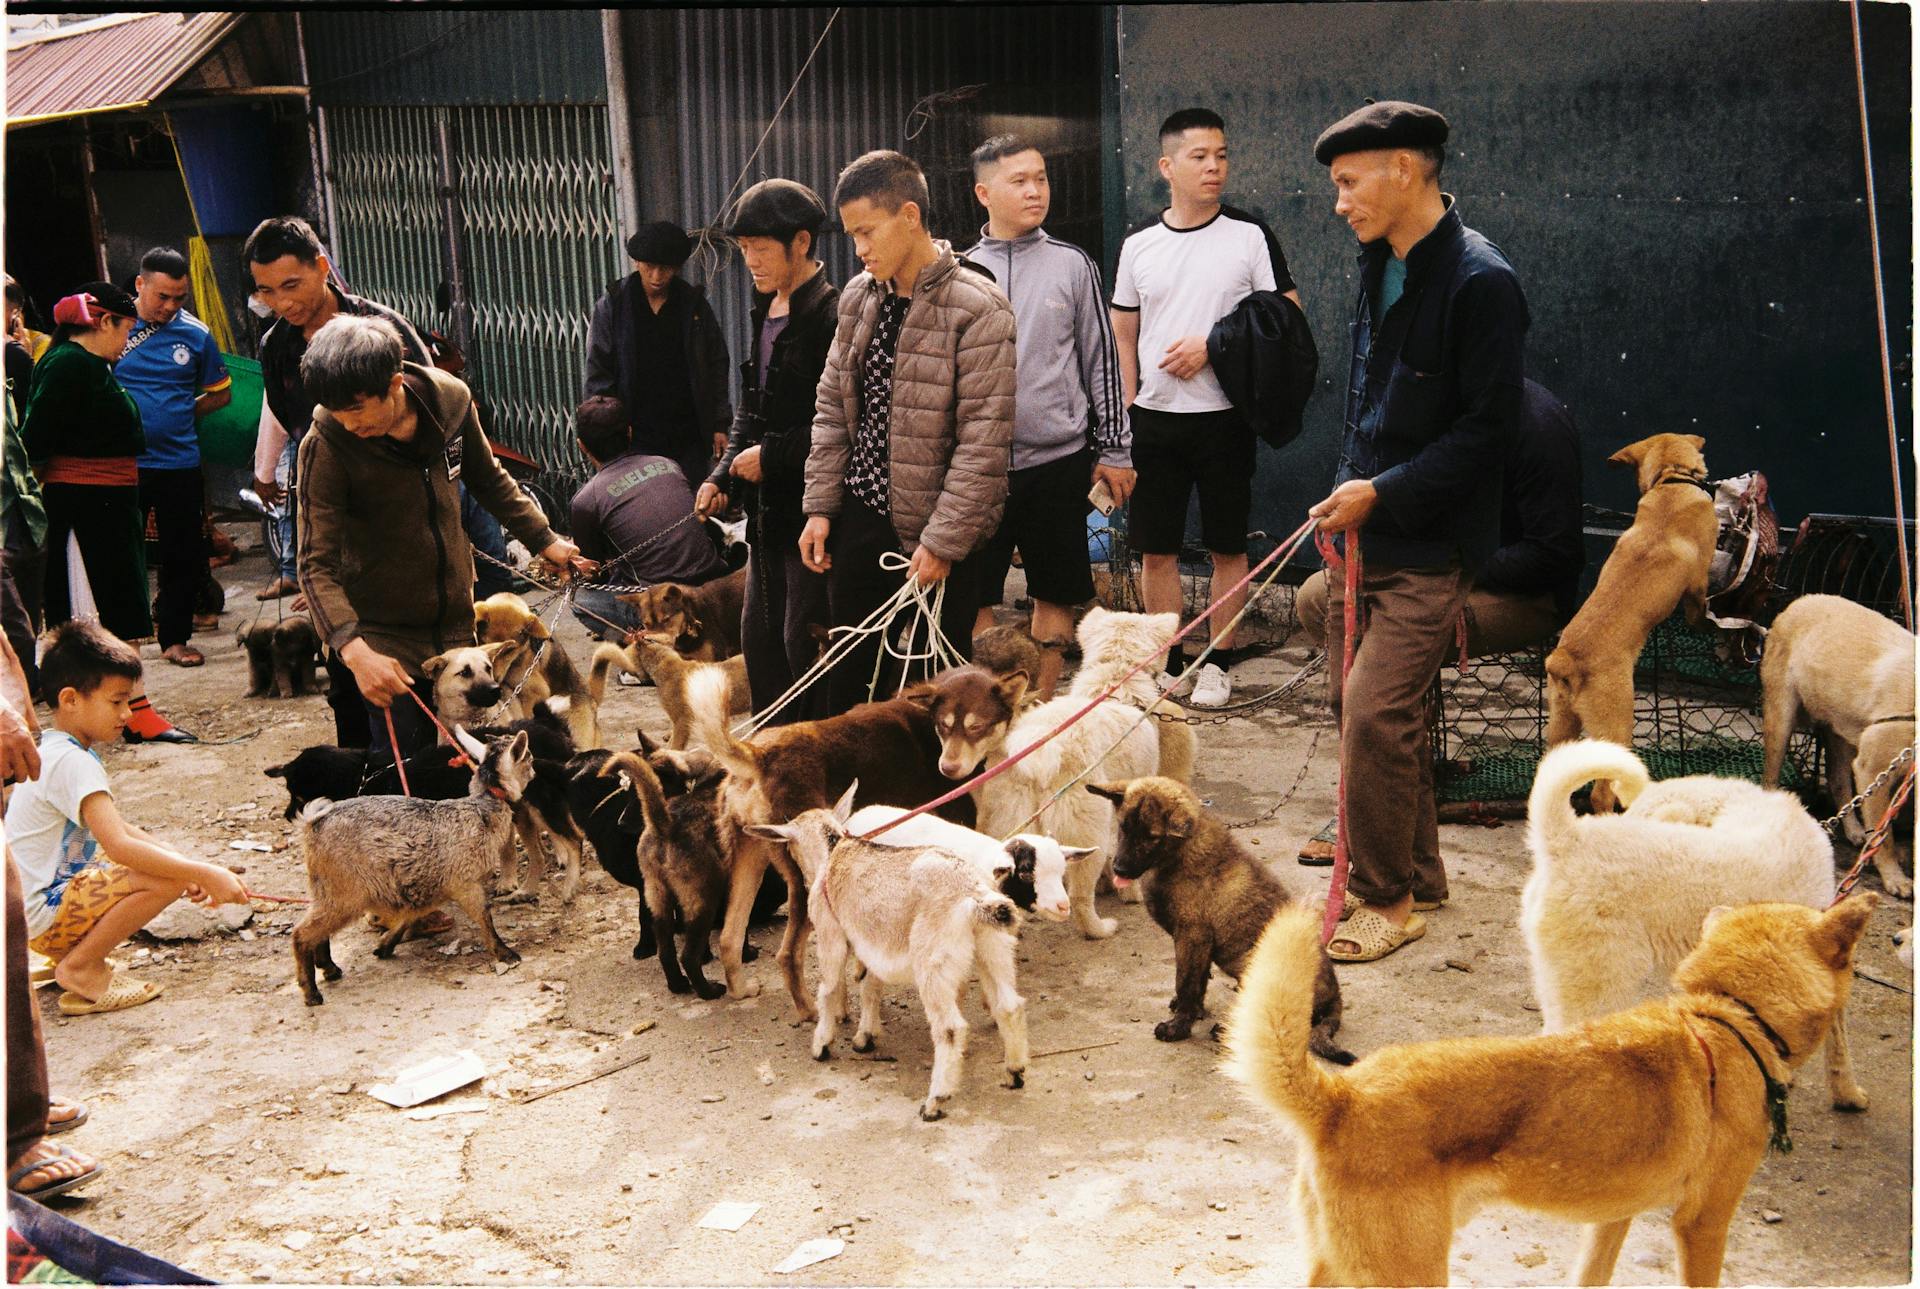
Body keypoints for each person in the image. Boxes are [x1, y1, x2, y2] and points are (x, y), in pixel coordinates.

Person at [1307, 101, 1530, 963]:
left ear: (1406, 168)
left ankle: (1385, 897)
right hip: (1361, 533)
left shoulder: (1482, 282)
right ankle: (1422, 870)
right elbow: (1367, 406)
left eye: (1349, 182)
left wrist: (1384, 493)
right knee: (1358, 708)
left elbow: (1487, 436)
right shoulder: (1379, 261)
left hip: (1432, 544)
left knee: (1373, 710)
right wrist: (1343, 495)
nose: (1339, 203)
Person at [1294, 377, 1582, 862]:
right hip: (1432, 569)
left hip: (1520, 592)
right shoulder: (1427, 408)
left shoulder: (1536, 421)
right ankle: (1376, 791)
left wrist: (1445, 562)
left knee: (1390, 636)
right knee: (1316, 598)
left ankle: (1374, 815)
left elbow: (1555, 556)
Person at [296, 315, 588, 763]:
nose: (346, 423)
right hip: (380, 633)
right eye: (335, 411)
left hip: (455, 622)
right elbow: (314, 564)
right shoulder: (327, 444)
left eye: (355, 409)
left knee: (469, 765)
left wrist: (546, 540)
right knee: (405, 769)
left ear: (393, 384)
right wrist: (354, 651)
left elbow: (488, 479)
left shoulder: (450, 402)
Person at [800, 150, 1016, 712]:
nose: (859, 248)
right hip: (861, 515)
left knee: (934, 693)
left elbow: (984, 441)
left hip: (939, 528)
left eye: (867, 231)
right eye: (851, 236)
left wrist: (943, 542)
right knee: (849, 675)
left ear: (911, 215)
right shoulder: (856, 297)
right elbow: (831, 410)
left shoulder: (979, 307)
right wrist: (821, 506)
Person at [1111, 108, 1303, 709]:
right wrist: (1125, 418)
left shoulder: (1250, 235)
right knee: (1157, 549)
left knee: (1227, 548)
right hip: (1154, 420)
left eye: (1221, 155)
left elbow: (1286, 318)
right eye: (1200, 157)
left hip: (1225, 419)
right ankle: (1167, 662)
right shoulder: (1139, 244)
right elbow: (1123, 335)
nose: (1215, 167)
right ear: (1167, 166)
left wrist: (1214, 346)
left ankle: (1218, 661)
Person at [244, 216, 515, 606]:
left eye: (292, 285)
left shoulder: (386, 328)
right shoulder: (275, 347)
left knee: (476, 590)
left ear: (321, 268)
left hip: (417, 487)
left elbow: (436, 410)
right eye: (266, 291)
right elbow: (287, 418)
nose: (282, 302)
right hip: (350, 504)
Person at [9, 621, 250, 1015]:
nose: (127, 713)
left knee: (165, 867)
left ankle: (69, 954)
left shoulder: (56, 748)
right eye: (117, 701)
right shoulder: (74, 762)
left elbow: (121, 828)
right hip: (41, 915)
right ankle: (81, 966)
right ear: (70, 699)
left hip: (27, 914)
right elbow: (118, 845)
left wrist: (192, 865)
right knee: (163, 878)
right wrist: (199, 874)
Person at [963, 136, 1130, 682]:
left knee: (1055, 597)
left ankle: (1041, 716)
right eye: (1020, 181)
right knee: (972, 597)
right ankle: (988, 710)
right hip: (979, 467)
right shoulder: (959, 273)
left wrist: (1116, 448)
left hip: (1058, 461)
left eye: (1041, 178)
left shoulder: (1072, 264)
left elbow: (1101, 361)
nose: (1036, 191)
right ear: (984, 193)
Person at [18, 283, 190, 742]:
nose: (128, 337)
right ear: (105, 321)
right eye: (127, 326)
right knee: (95, 610)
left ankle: (125, 710)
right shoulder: (68, 364)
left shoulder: (90, 365)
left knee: (117, 604)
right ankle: (118, 714)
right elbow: (33, 439)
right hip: (83, 504)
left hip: (107, 502)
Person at [698, 179, 839, 720]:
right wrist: (721, 477)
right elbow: (748, 412)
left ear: (800, 242)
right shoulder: (764, 307)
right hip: (764, 516)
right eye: (743, 248)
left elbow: (846, 425)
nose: (750, 260)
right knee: (760, 650)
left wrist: (773, 456)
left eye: (760, 246)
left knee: (803, 648)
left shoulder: (831, 314)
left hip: (813, 516)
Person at [116, 248, 232, 668]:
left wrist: (182, 411)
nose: (169, 306)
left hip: (179, 463)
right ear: (140, 285)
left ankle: (174, 639)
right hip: (123, 464)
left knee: (183, 554)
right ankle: (119, 640)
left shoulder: (196, 335)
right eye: (162, 296)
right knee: (120, 552)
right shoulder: (113, 327)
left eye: (178, 298)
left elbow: (222, 393)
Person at [584, 221, 732, 490]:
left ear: (676, 268)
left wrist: (720, 424)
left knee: (690, 503)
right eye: (648, 267)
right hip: (634, 436)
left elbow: (716, 364)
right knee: (643, 508)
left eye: (664, 268)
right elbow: (598, 373)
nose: (655, 276)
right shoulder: (614, 306)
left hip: (687, 435)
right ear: (636, 263)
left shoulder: (692, 304)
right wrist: (604, 436)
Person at [569, 395, 729, 639]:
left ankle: (641, 649)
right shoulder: (668, 464)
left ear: (582, 445)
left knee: (580, 600)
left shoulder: (585, 500)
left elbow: (594, 572)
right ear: (630, 433)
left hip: (667, 608)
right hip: (715, 591)